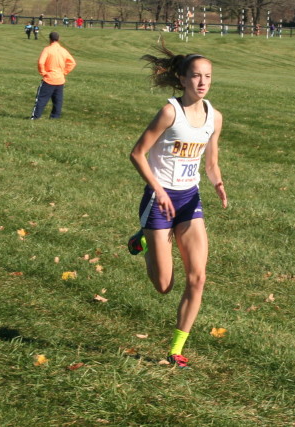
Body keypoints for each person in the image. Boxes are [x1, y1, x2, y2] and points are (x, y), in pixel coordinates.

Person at [127, 44, 228, 369]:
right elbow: (137, 154)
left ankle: (176, 349)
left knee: (197, 278)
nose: (202, 82)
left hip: (189, 200)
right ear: (182, 79)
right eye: (196, 76)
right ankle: (143, 239)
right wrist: (158, 190)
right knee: (164, 286)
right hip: (159, 201)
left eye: (207, 77)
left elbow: (210, 163)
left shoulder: (215, 117)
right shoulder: (170, 112)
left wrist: (219, 186)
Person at [30, 32, 76, 120]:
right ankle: (55, 117)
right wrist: (64, 72)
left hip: (49, 78)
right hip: (60, 79)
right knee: (58, 100)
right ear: (58, 39)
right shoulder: (63, 50)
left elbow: (40, 62)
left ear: (50, 39)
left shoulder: (47, 49)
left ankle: (35, 117)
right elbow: (72, 63)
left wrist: (43, 72)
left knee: (42, 98)